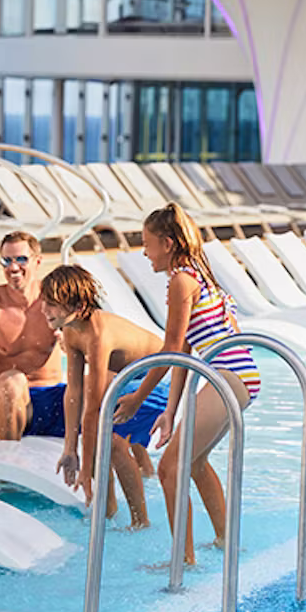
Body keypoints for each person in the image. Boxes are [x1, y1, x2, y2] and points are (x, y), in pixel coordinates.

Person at [113, 203, 261, 566]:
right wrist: (167, 411)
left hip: (226, 374)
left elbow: (169, 349)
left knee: (168, 468)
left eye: (146, 244)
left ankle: (183, 558)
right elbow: (183, 352)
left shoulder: (182, 280)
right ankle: (227, 541)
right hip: (239, 376)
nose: (144, 253)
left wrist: (136, 398)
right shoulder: (196, 275)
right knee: (193, 463)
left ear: (166, 243)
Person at [41, 264, 168, 529]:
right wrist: (69, 449)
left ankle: (140, 521)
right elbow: (74, 392)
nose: (44, 310)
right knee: (98, 433)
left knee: (112, 441)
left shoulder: (98, 334)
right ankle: (108, 510)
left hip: (158, 376)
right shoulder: (71, 329)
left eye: (51, 304)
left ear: (76, 305)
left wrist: (86, 468)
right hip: (126, 375)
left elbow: (94, 408)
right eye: (44, 302)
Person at [0, 231, 69, 441]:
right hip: (6, 404)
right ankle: (6, 465)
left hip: (54, 401)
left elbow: (82, 350)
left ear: (37, 261)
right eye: (6, 261)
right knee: (13, 381)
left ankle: (141, 466)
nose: (13, 268)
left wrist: (68, 343)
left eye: (21, 259)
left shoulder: (57, 300)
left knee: (102, 389)